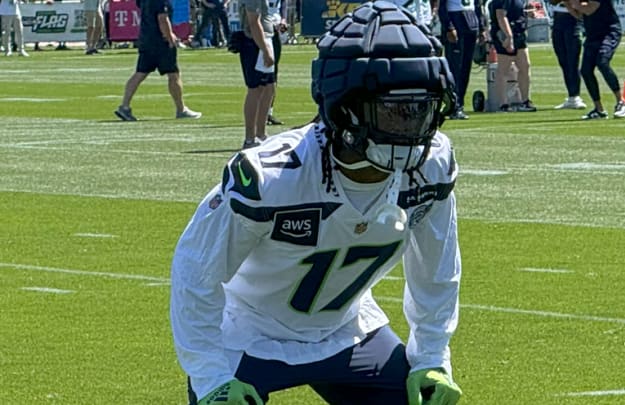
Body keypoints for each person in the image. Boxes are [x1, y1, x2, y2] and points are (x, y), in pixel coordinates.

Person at [171, 3, 463, 405]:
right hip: (248, 334)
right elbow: (195, 270)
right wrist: (209, 375)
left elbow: (436, 268)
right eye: (393, 112)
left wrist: (432, 357)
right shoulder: (270, 176)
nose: (410, 128)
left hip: (349, 332)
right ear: (345, 107)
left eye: (419, 110)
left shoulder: (432, 165)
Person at [114, 0, 201, 121]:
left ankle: (124, 106)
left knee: (140, 73)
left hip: (146, 38)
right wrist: (170, 38)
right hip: (160, 42)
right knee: (173, 74)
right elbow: (162, 19)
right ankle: (181, 109)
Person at [566, 0, 625, 119]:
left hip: (609, 32)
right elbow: (579, 15)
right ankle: (599, 109)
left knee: (602, 62)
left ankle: (621, 102)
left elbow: (590, 9)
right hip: (592, 34)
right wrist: (568, 4)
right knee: (586, 70)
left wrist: (573, 3)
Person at [234, 0, 275, 149]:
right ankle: (250, 138)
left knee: (269, 88)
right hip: (255, 43)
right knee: (256, 88)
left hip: (264, 40)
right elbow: (253, 21)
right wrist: (265, 49)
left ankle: (261, 134)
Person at [438, 0, 485, 119]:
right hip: (456, 19)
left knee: (465, 68)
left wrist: (482, 27)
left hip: (471, 21)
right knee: (455, 68)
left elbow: (477, 4)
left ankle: (460, 104)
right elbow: (441, 6)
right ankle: (453, 105)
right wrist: (449, 26)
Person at [488, 0, 536, 112]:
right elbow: (500, 16)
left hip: (519, 31)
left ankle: (525, 101)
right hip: (505, 33)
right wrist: (509, 37)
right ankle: (503, 103)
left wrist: (527, 13)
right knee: (504, 69)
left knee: (525, 66)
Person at [549, 0, 586, 109]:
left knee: (572, 61)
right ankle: (571, 96)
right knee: (563, 61)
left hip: (572, 20)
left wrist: (569, 4)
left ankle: (576, 96)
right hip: (557, 20)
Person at [265, 0, 287, 126]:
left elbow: (283, 3)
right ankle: (261, 112)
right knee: (261, 74)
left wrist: (283, 20)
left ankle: (269, 111)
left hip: (274, 30)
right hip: (262, 30)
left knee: (273, 72)